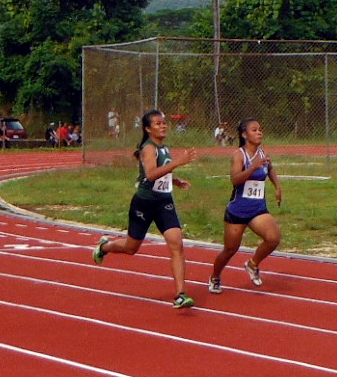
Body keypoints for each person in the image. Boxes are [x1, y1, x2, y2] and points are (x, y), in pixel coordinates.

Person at [92, 109, 198, 309]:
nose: (163, 126)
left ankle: (180, 294)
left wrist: (174, 180)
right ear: (148, 129)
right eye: (157, 124)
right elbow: (150, 175)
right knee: (131, 248)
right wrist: (178, 163)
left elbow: (161, 171)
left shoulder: (164, 147)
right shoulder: (149, 148)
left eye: (164, 122)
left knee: (177, 243)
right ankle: (104, 246)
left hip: (164, 202)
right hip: (145, 203)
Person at [208, 118, 282, 293]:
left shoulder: (263, 154)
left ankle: (252, 264)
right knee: (230, 249)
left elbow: (269, 168)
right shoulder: (239, 155)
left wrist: (277, 186)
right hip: (238, 211)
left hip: (257, 209)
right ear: (244, 134)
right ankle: (215, 276)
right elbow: (235, 180)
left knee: (273, 238)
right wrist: (252, 167)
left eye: (260, 129)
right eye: (254, 130)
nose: (259, 132)